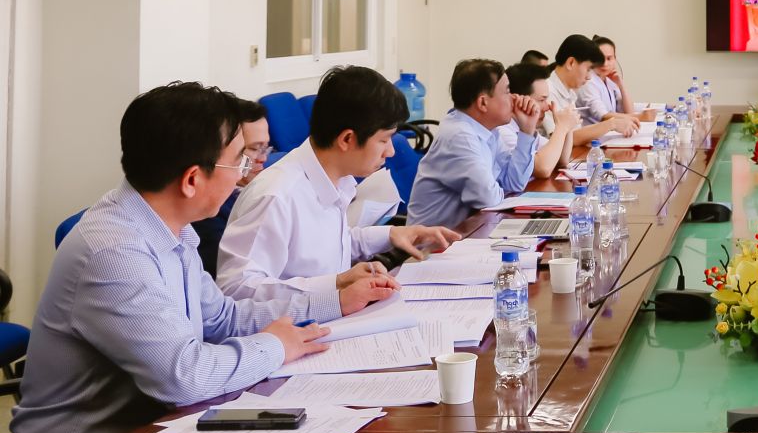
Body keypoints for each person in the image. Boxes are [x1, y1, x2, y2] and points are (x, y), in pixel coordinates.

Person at [8, 83, 342, 433]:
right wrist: (275, 345)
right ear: (191, 180)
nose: (245, 173)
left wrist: (334, 302)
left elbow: (222, 319)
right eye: (239, 161)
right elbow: (185, 377)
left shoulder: (171, 227)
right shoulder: (114, 253)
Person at [217, 66, 461, 308]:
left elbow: (330, 245)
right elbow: (237, 290)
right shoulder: (276, 195)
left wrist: (392, 235)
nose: (391, 151)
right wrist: (338, 283)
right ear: (347, 139)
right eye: (384, 140)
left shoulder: (336, 177)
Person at [407, 58, 547, 229]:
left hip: (466, 233)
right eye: (507, 91)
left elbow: (514, 183)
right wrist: (498, 187)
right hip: (433, 243)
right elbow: (488, 198)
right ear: (483, 103)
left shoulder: (489, 131)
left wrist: (527, 130)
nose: (514, 98)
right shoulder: (459, 137)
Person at [192, 96, 271, 276]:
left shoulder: (264, 189)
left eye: (266, 148)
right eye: (254, 148)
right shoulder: (210, 209)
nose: (263, 158)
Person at [546, 33, 639, 144]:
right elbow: (565, 139)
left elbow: (575, 133)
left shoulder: (569, 92)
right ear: (571, 63)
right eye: (588, 69)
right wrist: (612, 124)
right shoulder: (547, 92)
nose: (589, 77)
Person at [503, 60, 579, 174]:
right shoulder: (504, 131)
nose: (547, 107)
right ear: (517, 99)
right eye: (541, 100)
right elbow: (543, 168)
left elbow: (561, 159)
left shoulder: (524, 127)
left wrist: (567, 127)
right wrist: (561, 127)